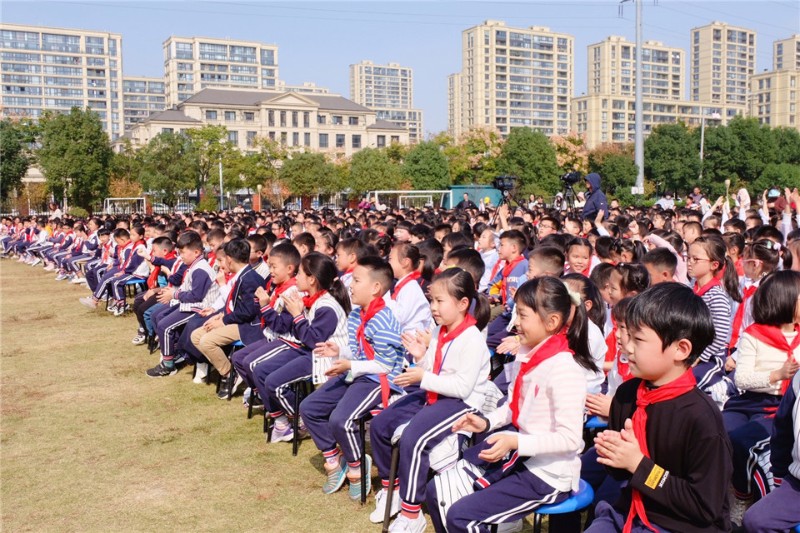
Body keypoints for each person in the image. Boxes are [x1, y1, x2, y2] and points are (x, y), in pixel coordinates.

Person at [426, 276, 595, 532]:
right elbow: (514, 406)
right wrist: (486, 422)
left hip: (548, 475)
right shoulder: (529, 355)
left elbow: (570, 440)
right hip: (522, 458)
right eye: (516, 313)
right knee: (435, 491)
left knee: (460, 516)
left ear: (551, 322)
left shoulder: (564, 369)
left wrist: (516, 441)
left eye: (523, 315)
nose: (515, 323)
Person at [586, 282, 731, 533]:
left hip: (683, 525)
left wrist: (638, 464)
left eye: (638, 339)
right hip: (631, 511)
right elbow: (620, 475)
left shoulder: (701, 418)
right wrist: (613, 453)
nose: (627, 347)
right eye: (628, 335)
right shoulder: (627, 395)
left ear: (681, 349)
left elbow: (704, 506)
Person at [369, 268, 492, 529]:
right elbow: (436, 371)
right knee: (380, 424)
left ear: (462, 304)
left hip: (461, 403)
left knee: (415, 438)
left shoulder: (471, 339)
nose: (433, 307)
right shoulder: (440, 331)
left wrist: (422, 376)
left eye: (439, 301)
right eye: (431, 300)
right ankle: (392, 489)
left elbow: (462, 388)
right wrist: (421, 356)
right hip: (436, 394)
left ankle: (411, 513)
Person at [300, 256, 405, 500]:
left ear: (375, 288)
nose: (350, 285)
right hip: (357, 372)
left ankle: (357, 467)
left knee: (341, 419)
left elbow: (385, 365)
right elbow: (358, 349)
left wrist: (350, 364)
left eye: (357, 280)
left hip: (378, 379)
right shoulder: (357, 313)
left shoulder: (385, 319)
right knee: (309, 408)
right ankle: (334, 460)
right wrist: (340, 351)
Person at [725, 271, 800, 524]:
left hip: (781, 406)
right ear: (785, 299)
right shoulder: (754, 335)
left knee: (745, 441)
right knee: (723, 432)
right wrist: (777, 374)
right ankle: (734, 492)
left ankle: (746, 495)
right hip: (751, 401)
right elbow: (742, 379)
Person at [188, 238, 265, 399]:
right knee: (196, 335)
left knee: (206, 341)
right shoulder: (242, 275)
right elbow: (234, 305)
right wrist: (220, 315)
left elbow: (248, 312)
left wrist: (223, 321)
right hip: (236, 319)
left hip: (248, 325)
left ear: (229, 259)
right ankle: (228, 370)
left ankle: (229, 374)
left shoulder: (249, 279)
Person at [742, 371, 800, 533]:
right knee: (756, 520)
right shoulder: (798, 380)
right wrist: (780, 476)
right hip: (797, 484)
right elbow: (783, 434)